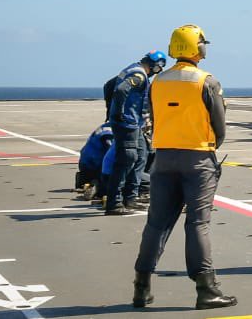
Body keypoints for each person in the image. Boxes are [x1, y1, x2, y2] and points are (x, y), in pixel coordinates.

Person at [131, 24, 236, 310]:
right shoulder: (207, 81)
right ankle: (206, 289)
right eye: (203, 43)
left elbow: (154, 115)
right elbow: (220, 126)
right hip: (198, 159)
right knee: (198, 223)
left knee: (156, 223)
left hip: (163, 159)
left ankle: (141, 288)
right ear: (195, 47)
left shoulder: (159, 81)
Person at [104, 51, 166, 215]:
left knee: (141, 155)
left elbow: (109, 86)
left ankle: (130, 198)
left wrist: (109, 110)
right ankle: (114, 203)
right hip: (127, 123)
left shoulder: (132, 69)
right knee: (127, 158)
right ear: (154, 64)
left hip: (133, 123)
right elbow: (120, 90)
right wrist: (117, 112)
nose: (158, 70)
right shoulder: (138, 75)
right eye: (159, 67)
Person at [76, 121, 114, 201]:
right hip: (94, 164)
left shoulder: (105, 126)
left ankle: (85, 179)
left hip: (85, 163)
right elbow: (110, 150)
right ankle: (100, 187)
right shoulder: (109, 131)